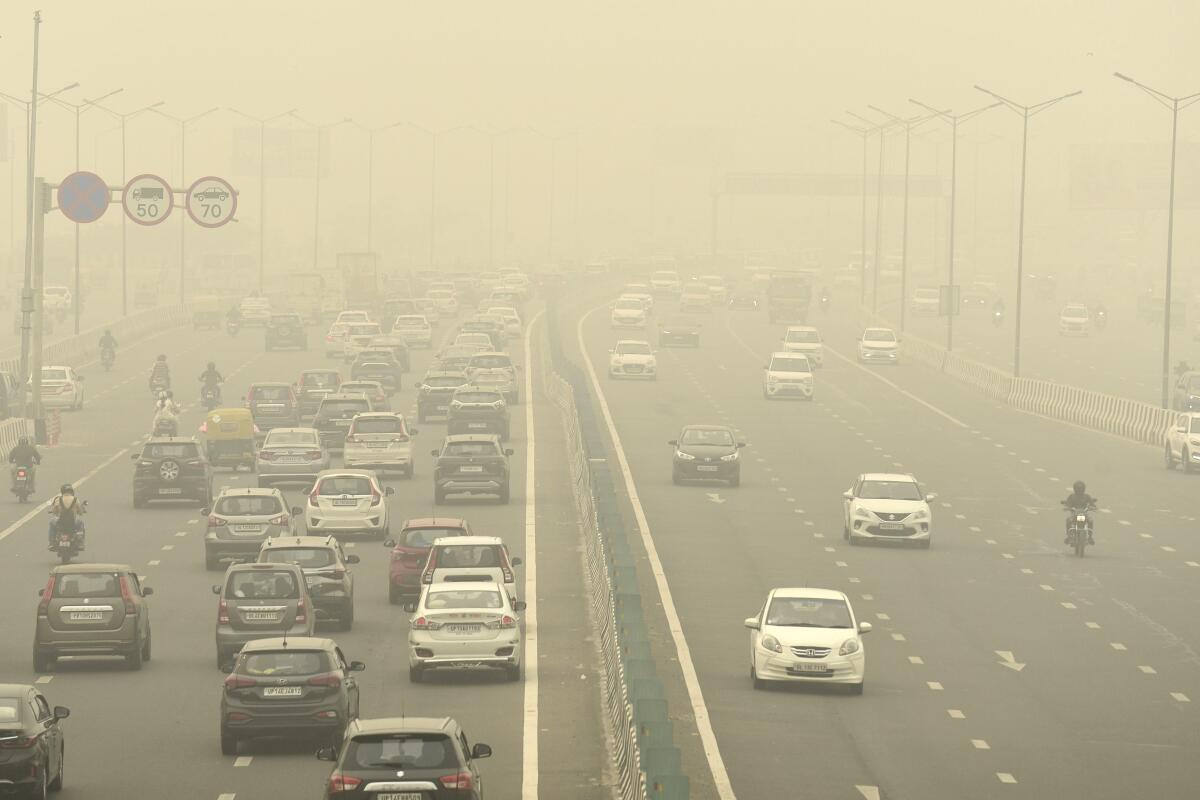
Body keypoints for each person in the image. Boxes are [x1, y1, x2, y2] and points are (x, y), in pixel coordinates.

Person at [47, 484, 85, 549]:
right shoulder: (75, 499)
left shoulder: (58, 499)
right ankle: (80, 543)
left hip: (60, 522)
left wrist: (54, 511)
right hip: (72, 523)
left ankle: (51, 543)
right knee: (81, 523)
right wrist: (81, 511)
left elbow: (54, 511)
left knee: (51, 522)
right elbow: (80, 511)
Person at [1062, 480, 1097, 545]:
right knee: (1068, 520)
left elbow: (1092, 504)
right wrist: (1067, 507)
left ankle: (1090, 537)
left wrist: (1093, 507)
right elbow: (1067, 504)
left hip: (1084, 514)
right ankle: (1069, 536)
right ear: (1075, 488)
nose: (1079, 490)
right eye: (1078, 488)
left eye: (1081, 488)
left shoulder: (1087, 496)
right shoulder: (1071, 496)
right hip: (1074, 514)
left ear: (1084, 488)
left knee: (1091, 520)